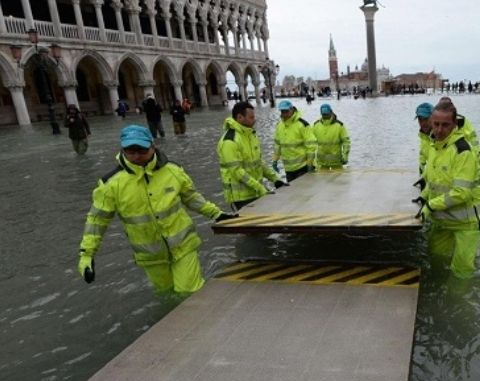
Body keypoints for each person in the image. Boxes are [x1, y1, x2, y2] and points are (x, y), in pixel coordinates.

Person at [77, 125, 237, 296]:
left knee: (189, 292)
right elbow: (97, 221)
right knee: (166, 295)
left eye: (142, 150)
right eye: (131, 151)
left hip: (183, 245)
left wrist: (216, 213)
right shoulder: (110, 185)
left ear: (153, 147)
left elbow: (191, 198)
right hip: (151, 255)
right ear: (122, 150)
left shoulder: (173, 171)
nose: (137, 156)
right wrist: (87, 255)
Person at [416, 101, 480, 279]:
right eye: (436, 124)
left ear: (455, 124)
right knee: (436, 260)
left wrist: (430, 206)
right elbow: (433, 181)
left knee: (461, 272)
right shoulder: (434, 147)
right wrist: (423, 197)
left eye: (445, 125)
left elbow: (461, 193)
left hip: (466, 224)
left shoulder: (463, 152)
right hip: (442, 220)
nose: (439, 130)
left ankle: (459, 302)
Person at [217, 101, 287, 210]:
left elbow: (259, 162)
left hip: (255, 192)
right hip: (241, 197)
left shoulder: (250, 135)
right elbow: (237, 172)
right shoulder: (229, 141)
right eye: (251, 117)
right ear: (240, 117)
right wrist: (260, 188)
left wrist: (275, 179)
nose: (254, 120)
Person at [273, 100, 316, 182]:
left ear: (292, 110)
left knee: (305, 192)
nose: (284, 114)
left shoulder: (302, 124)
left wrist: (310, 163)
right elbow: (277, 145)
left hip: (303, 167)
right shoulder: (279, 126)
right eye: (282, 111)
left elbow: (311, 145)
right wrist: (275, 160)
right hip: (288, 168)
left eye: (286, 111)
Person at [312, 103, 351, 169]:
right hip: (321, 163)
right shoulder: (316, 125)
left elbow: (346, 142)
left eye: (326, 114)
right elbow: (310, 143)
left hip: (337, 163)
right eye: (323, 114)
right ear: (321, 114)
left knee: (339, 179)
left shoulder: (339, 125)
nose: (325, 116)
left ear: (331, 112)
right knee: (321, 179)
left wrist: (345, 156)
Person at [414, 102, 434, 176]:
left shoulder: (440, 136)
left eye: (426, 119)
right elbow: (422, 156)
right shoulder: (424, 136)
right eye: (420, 119)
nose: (422, 123)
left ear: (433, 117)